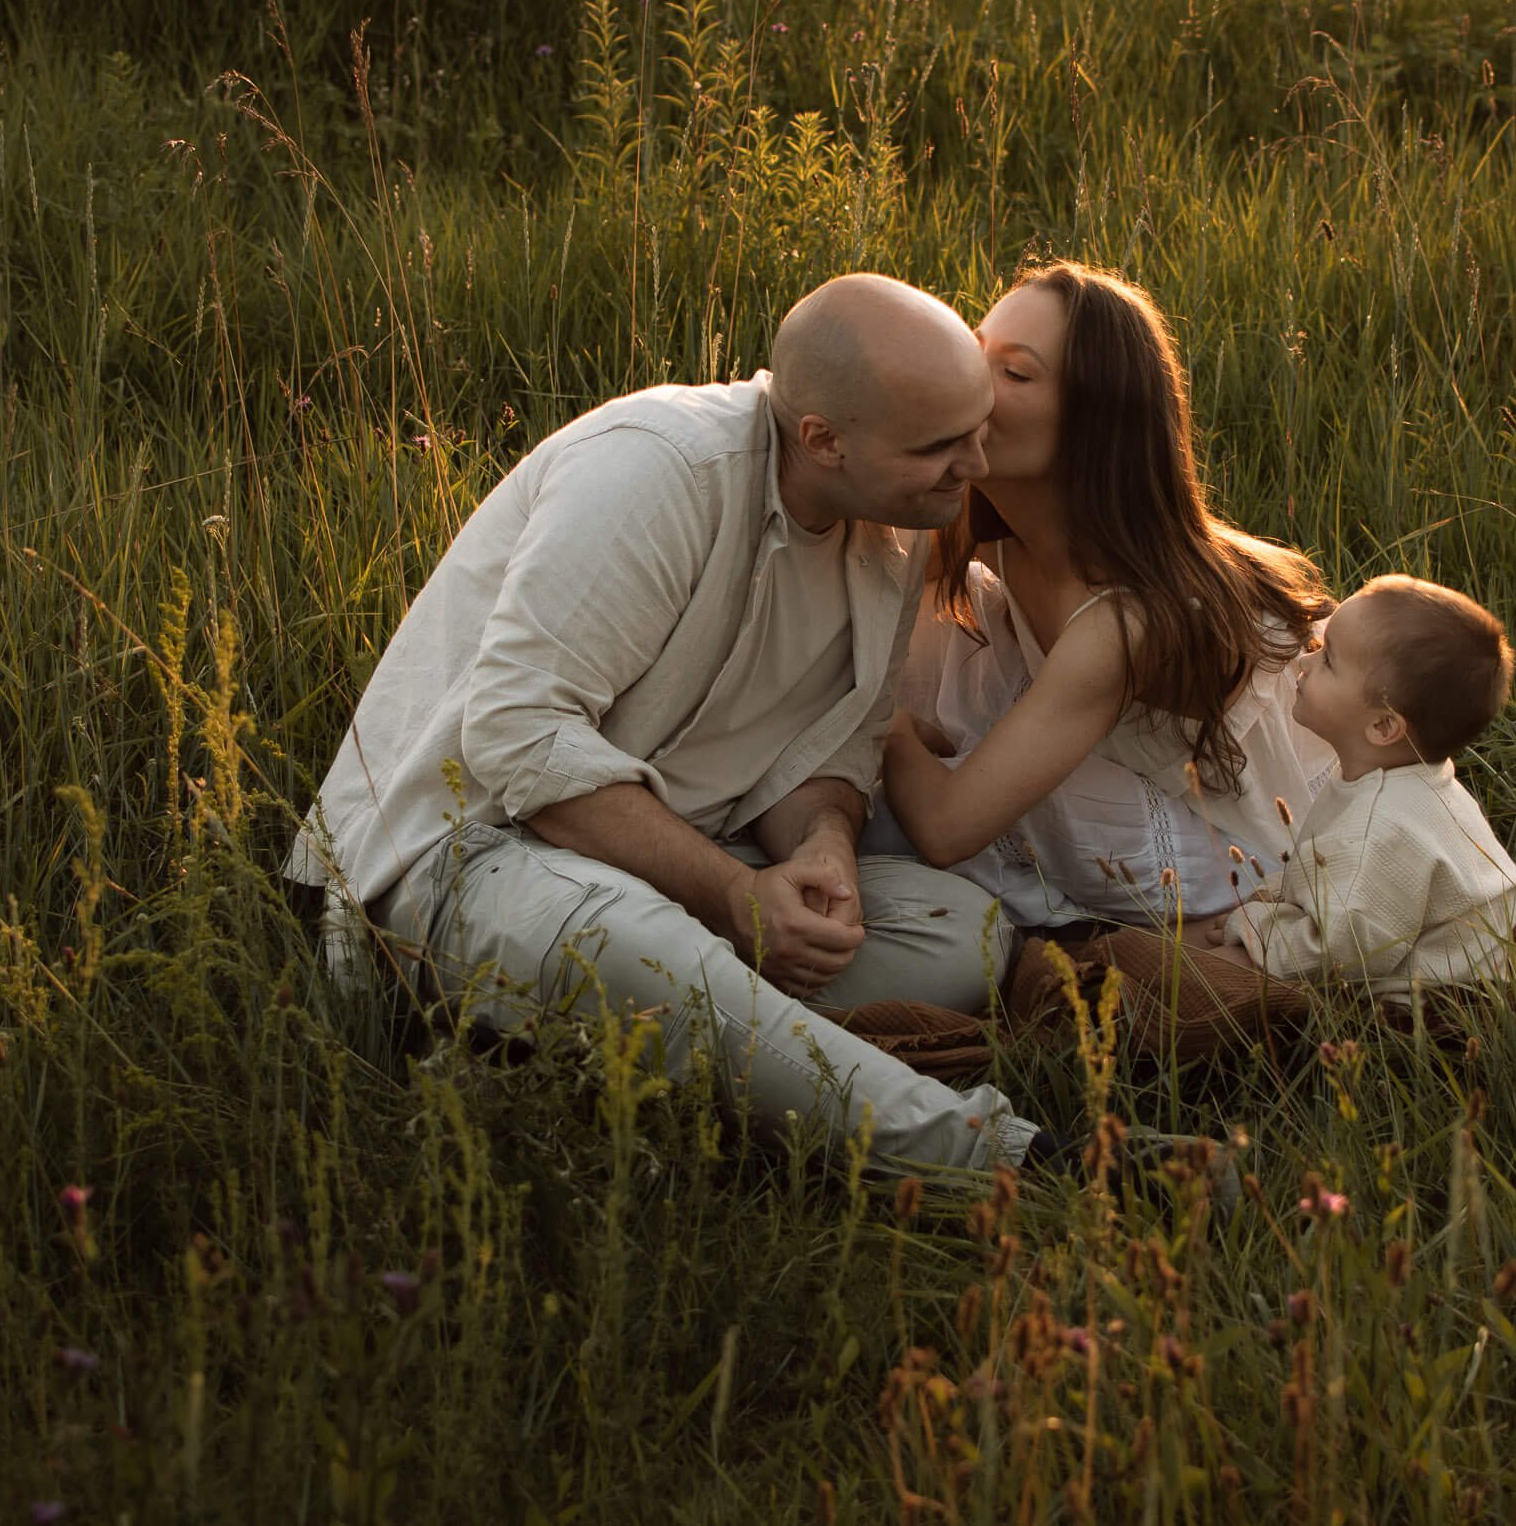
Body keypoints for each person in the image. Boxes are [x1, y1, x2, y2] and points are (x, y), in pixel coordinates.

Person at [284, 274, 1044, 1173]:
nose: (978, 468)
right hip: (462, 853)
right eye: (942, 447)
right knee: (641, 939)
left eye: (979, 429)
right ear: (824, 439)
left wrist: (823, 850)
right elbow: (517, 736)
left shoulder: (897, 514)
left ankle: (666, 1045)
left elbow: (835, 742)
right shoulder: (657, 471)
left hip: (681, 858)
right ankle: (1009, 1160)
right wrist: (730, 893)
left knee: (965, 931)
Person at [879, 261, 1333, 928]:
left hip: (1233, 826)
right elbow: (860, 581)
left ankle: (1205, 925)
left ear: (1093, 425)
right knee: (922, 627)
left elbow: (947, 828)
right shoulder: (987, 515)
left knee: (955, 773)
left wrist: (874, 720)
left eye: (1016, 373)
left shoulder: (1126, 620)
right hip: (1118, 750)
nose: (973, 383)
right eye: (975, 352)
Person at [1202, 575, 1516, 992]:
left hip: (1429, 996)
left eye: (1327, 660)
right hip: (1394, 937)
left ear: (1382, 725)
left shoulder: (1378, 829)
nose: (1303, 662)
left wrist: (1254, 928)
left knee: (1211, 976)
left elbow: (1338, 955)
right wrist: (1271, 899)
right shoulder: (1404, 777)